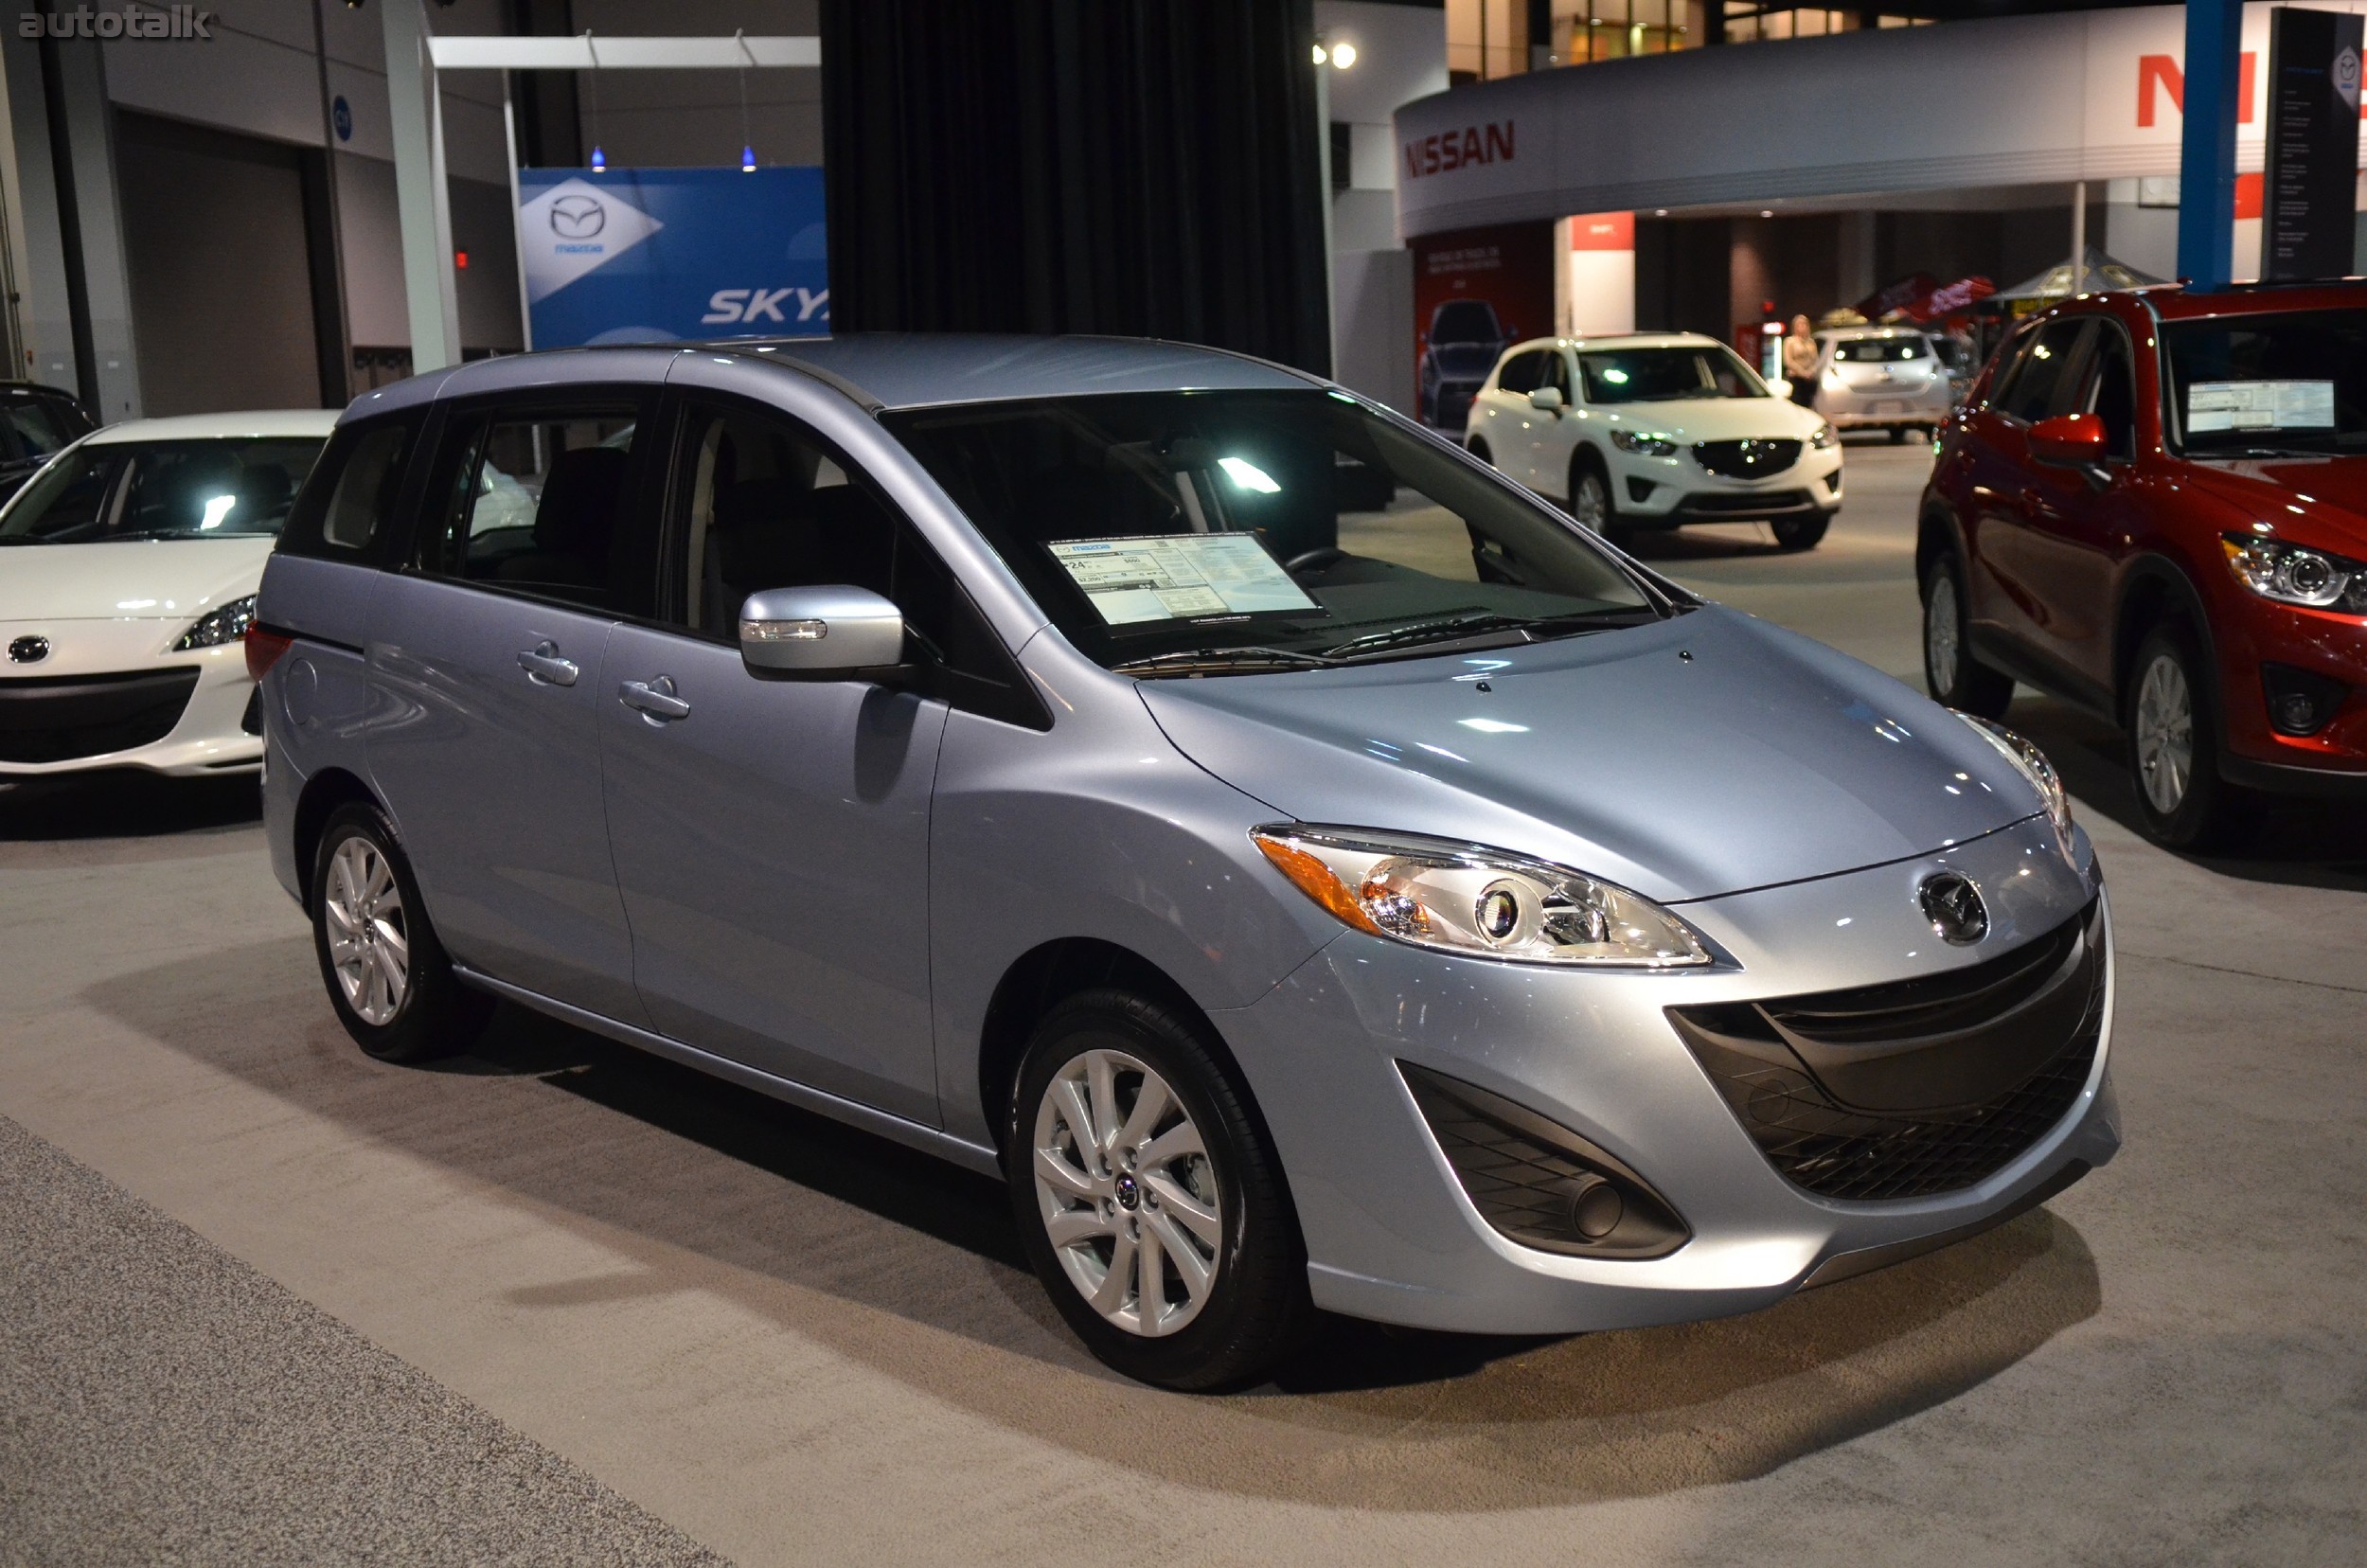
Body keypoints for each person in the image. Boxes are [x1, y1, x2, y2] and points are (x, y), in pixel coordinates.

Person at [1782, 314, 1821, 409]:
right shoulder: (1790, 341)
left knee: (1808, 404)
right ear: (1795, 327)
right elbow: (1788, 361)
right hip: (1795, 378)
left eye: (1805, 324)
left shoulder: (1811, 342)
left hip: (1809, 379)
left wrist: (1811, 371)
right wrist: (1802, 373)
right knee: (1797, 404)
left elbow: (1816, 360)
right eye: (1799, 324)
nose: (1802, 327)